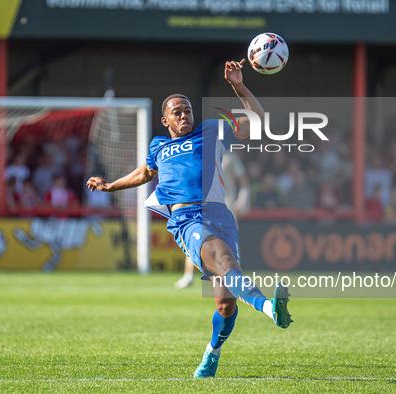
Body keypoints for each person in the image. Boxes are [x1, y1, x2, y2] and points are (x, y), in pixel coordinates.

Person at [86, 59, 292, 379]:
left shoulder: (212, 130)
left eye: (188, 110)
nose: (185, 115)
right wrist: (110, 185)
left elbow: (257, 121)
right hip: (186, 218)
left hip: (219, 214)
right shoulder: (158, 146)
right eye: (177, 111)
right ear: (164, 118)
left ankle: (211, 355)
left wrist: (237, 84)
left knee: (226, 306)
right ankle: (270, 309)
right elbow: (144, 173)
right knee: (224, 260)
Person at [173, 150, 250, 289]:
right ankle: (188, 275)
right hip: (204, 206)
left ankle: (236, 276)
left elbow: (243, 179)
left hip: (226, 206)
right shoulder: (199, 155)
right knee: (197, 238)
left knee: (230, 242)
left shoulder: (229, 157)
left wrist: (244, 196)